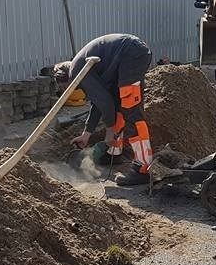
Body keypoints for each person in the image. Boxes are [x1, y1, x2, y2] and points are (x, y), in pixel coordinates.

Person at [53, 34, 153, 186]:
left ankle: (143, 168)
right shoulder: (83, 67)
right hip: (128, 55)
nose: (70, 91)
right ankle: (114, 154)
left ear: (66, 78)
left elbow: (104, 103)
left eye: (66, 88)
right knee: (118, 108)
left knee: (131, 111)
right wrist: (86, 134)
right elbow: (98, 101)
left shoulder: (77, 71)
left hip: (130, 54)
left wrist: (109, 132)